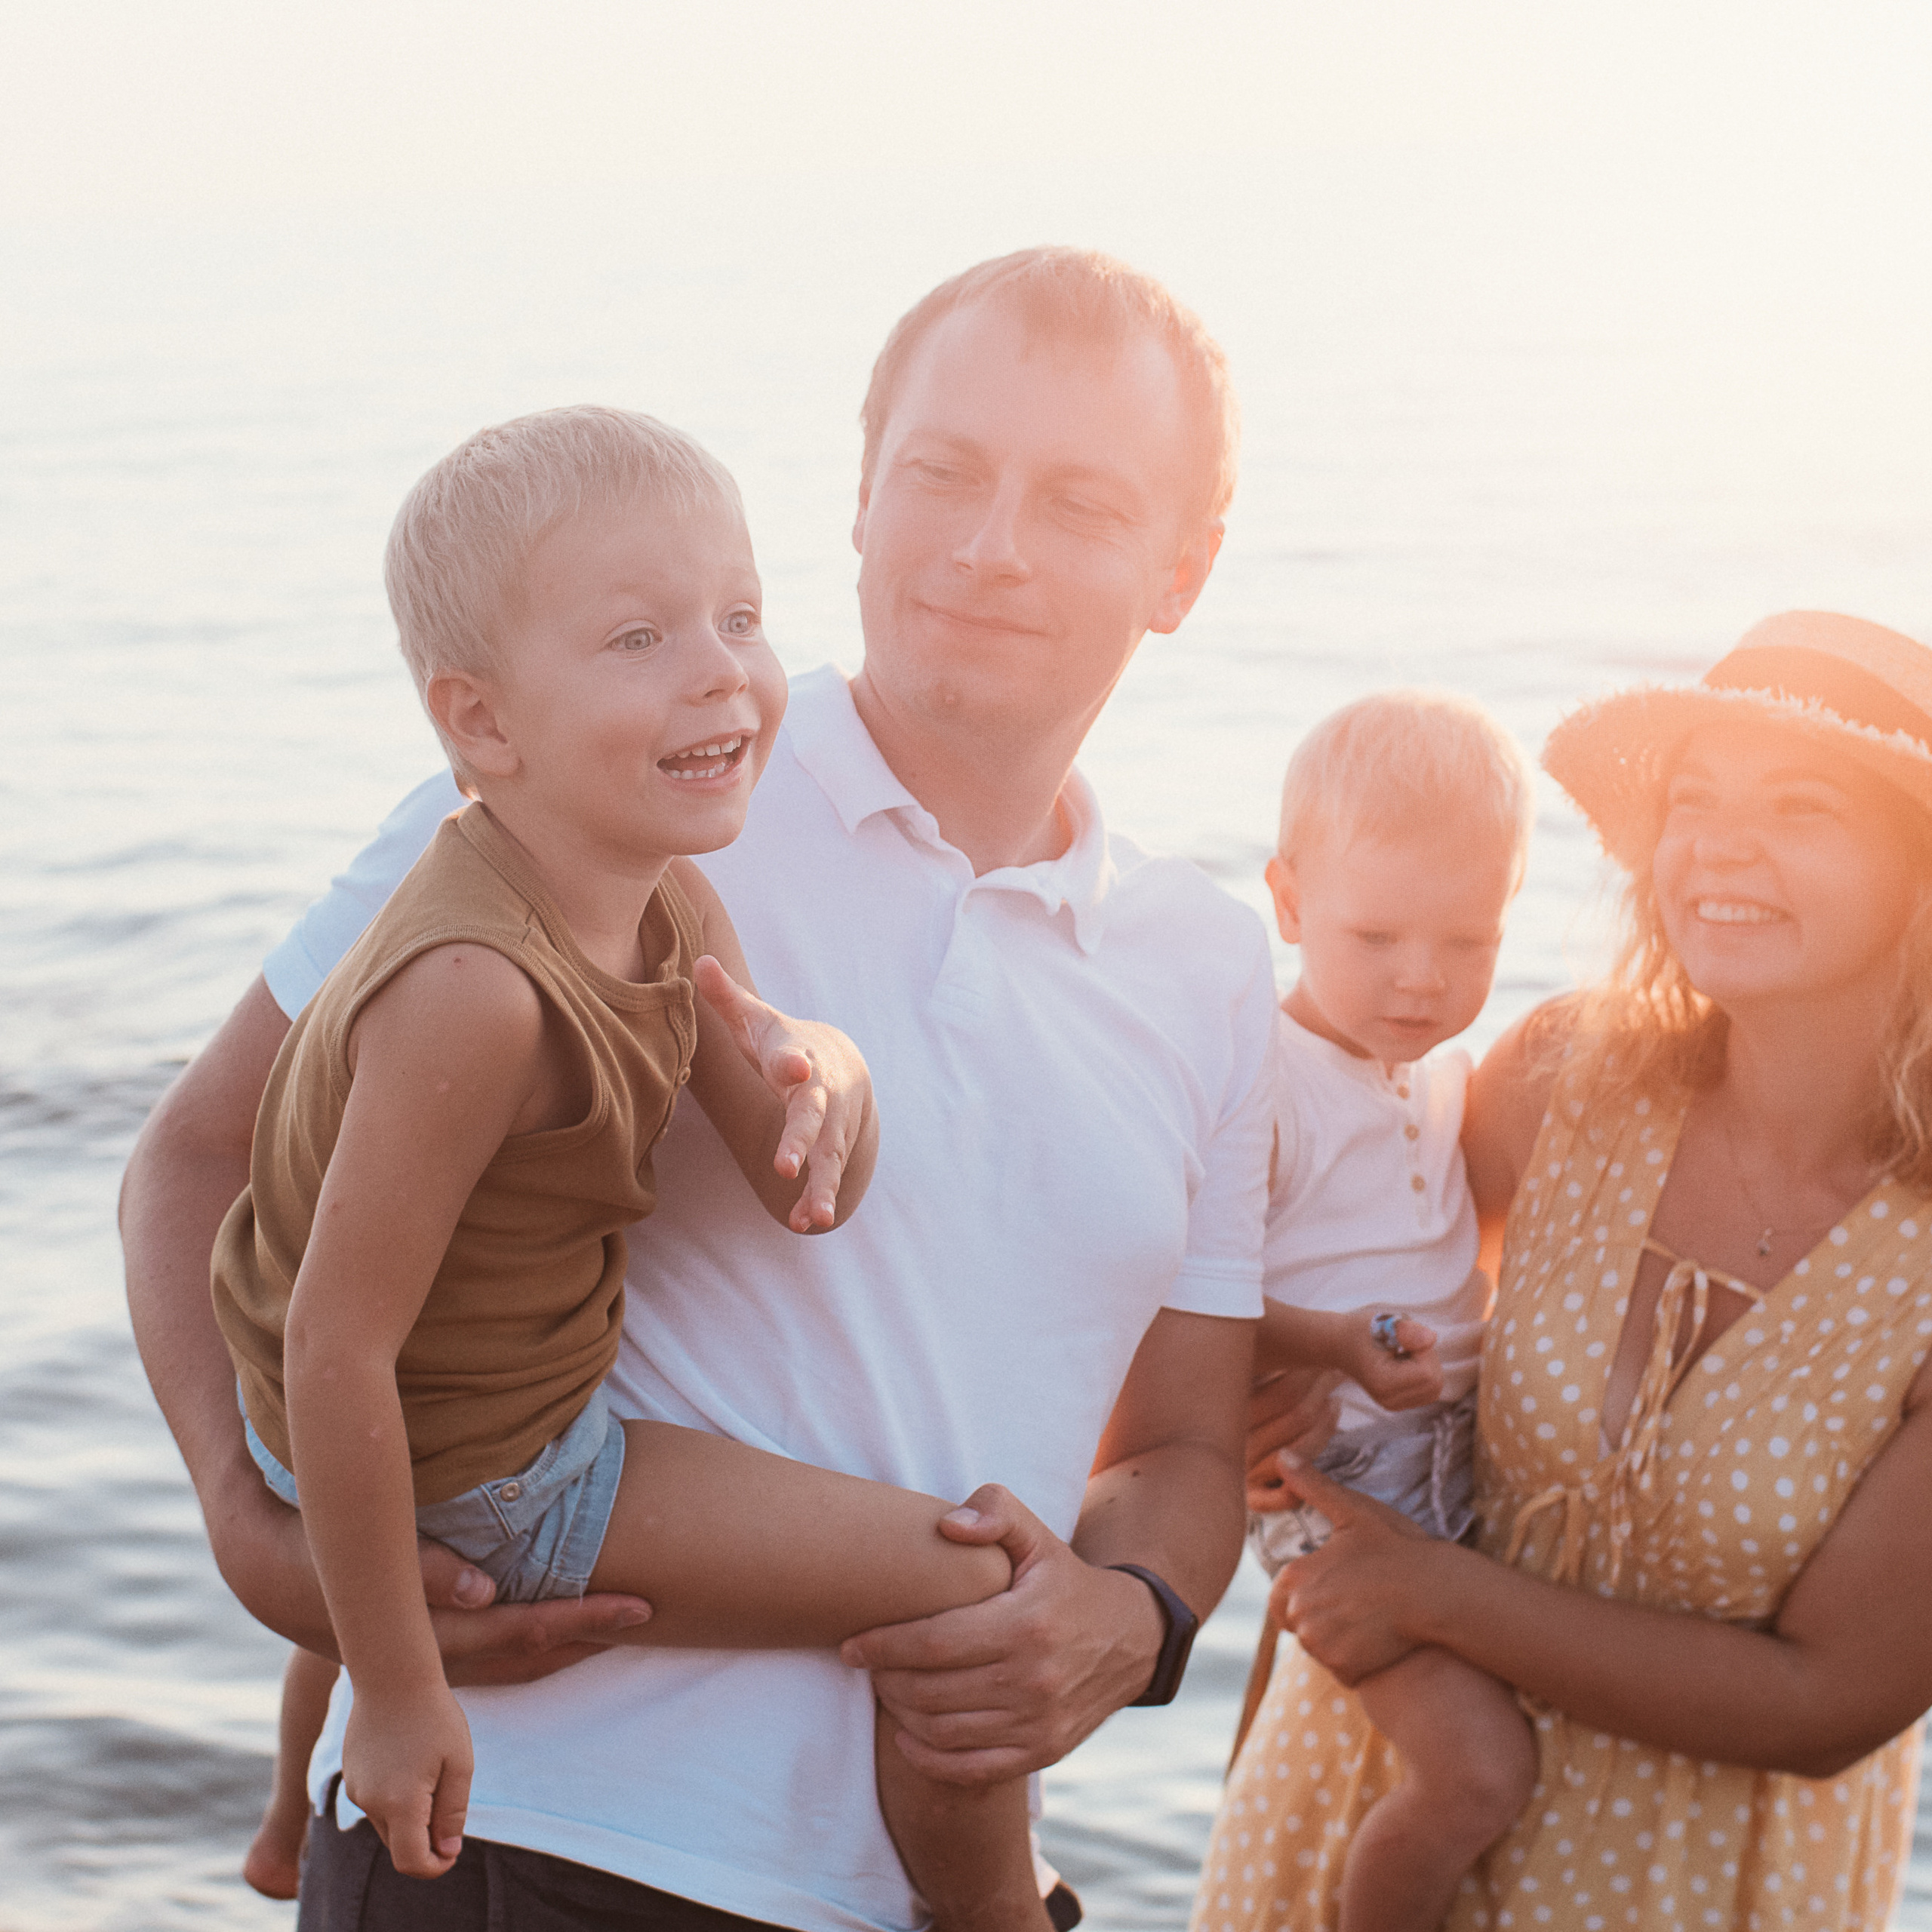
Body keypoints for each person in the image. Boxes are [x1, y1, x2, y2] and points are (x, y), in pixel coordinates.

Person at [120, 247, 1278, 1931]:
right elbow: (199, 1158)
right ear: (862, 496)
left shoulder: (1209, 965)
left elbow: (1180, 1439)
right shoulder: (611, 779)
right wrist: (250, 1523)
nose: (986, 545)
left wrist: (1131, 1611)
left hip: (897, 1891)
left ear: (1182, 569)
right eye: (941, 472)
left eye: (1078, 502)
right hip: (522, 1843)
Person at [215, 401, 1075, 1926]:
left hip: (388, 1400)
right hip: (478, 1459)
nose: (720, 666)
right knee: (969, 1585)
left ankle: (286, 1817)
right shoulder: (474, 991)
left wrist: (830, 1069)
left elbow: (802, 1185)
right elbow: (337, 1347)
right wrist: (405, 1692)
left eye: (738, 615)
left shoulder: (663, 889)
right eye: (635, 638)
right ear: (482, 722)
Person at [1195, 610, 1932, 1932]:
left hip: (1693, 1887)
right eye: (1695, 798)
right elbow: (1366, 1338)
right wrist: (1264, 1427)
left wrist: (1432, 1592)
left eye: (1802, 807)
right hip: (1355, 1811)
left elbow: (1834, 1704)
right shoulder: (1557, 1084)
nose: (1719, 845)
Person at [1233, 691, 1540, 1932]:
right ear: (1292, 903)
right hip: (1336, 1493)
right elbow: (1183, 1299)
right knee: (1480, 1773)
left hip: (1456, 1471)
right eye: (1376, 937)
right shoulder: (1263, 1084)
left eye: (1468, 944)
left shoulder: (1445, 1076)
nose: (1423, 981)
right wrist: (1327, 1343)